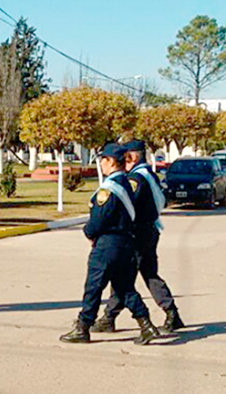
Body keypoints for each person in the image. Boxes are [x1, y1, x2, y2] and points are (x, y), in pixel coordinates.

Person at [60, 143, 160, 345]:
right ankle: (146, 324)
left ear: (111, 162)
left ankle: (83, 327)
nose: (102, 164)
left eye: (103, 160)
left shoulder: (109, 189)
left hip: (108, 245)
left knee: (93, 287)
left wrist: (88, 232)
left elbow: (99, 220)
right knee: (125, 288)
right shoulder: (126, 183)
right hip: (126, 244)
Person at [92, 140, 185, 334]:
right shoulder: (148, 173)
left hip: (138, 233)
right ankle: (172, 313)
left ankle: (110, 317)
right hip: (150, 230)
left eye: (124, 157)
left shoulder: (136, 178)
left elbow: (125, 205)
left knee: (123, 277)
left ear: (132, 157)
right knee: (148, 273)